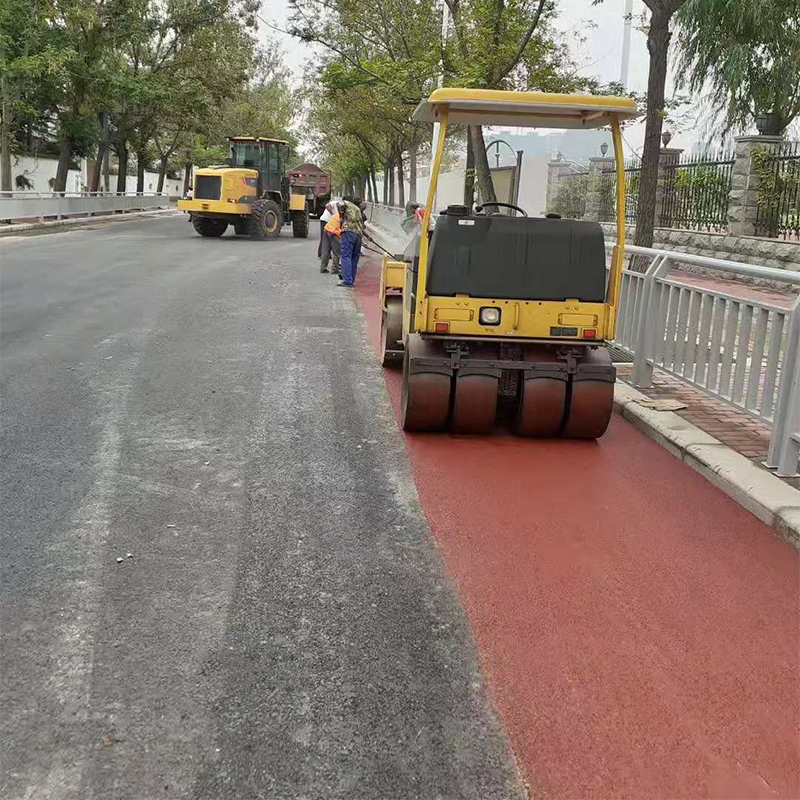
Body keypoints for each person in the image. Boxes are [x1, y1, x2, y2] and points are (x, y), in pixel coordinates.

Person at [337, 196, 364, 288]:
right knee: (354, 257)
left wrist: (341, 216)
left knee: (346, 256)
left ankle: (347, 280)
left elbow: (340, 204)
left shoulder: (346, 203)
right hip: (358, 235)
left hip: (349, 232)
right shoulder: (357, 209)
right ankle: (351, 279)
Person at [320, 208, 342, 274]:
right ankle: (334, 269)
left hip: (327, 230)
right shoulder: (344, 217)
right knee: (336, 252)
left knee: (326, 251)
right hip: (334, 233)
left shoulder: (337, 214)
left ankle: (323, 268)